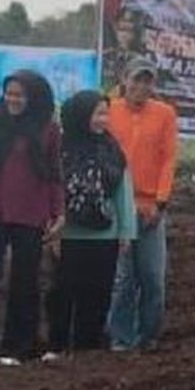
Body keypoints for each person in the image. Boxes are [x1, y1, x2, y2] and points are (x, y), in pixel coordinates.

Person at [46, 91, 137, 359]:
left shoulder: (111, 149)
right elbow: (51, 190)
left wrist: (126, 232)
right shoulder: (61, 149)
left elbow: (123, 192)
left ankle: (87, 347)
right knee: (62, 291)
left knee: (97, 292)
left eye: (106, 114)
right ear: (81, 115)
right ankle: (57, 345)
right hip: (67, 233)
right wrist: (52, 231)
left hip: (104, 234)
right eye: (98, 114)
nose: (103, 120)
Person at [0, 71, 63, 365]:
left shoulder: (48, 129)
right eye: (9, 94)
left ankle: (17, 346)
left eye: (19, 95)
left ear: (33, 98)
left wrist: (58, 213)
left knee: (25, 281)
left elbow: (54, 174)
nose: (13, 100)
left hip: (32, 214)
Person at [106, 57, 179, 352]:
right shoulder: (110, 110)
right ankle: (120, 337)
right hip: (118, 205)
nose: (141, 86)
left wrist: (161, 202)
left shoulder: (164, 114)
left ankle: (149, 335)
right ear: (125, 80)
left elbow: (168, 159)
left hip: (151, 206)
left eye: (147, 80)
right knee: (123, 277)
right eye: (136, 79)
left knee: (152, 275)